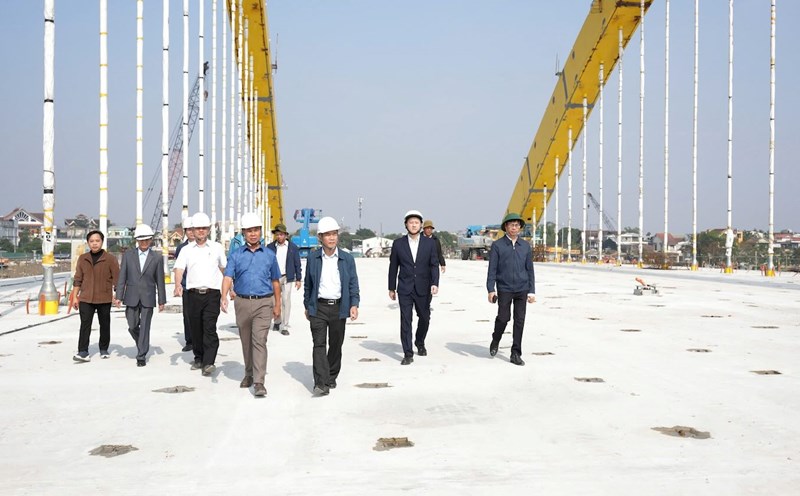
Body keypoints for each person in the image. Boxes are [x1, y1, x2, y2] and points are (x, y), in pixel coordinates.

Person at [221, 212, 282, 397]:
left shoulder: (270, 255)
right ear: (243, 233)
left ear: (261, 232)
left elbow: (276, 282)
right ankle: (248, 373)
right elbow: (228, 276)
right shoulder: (236, 255)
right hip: (242, 303)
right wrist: (223, 295)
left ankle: (258, 382)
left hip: (264, 303)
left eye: (256, 230)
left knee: (259, 341)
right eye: (249, 231)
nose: (253, 234)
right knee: (246, 341)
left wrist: (277, 304)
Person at [303, 217, 360, 396]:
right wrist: (307, 305)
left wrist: (354, 304)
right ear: (320, 237)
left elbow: (353, 283)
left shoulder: (347, 259)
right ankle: (321, 383)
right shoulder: (313, 258)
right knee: (318, 344)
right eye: (327, 235)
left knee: (336, 345)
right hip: (318, 307)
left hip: (339, 307)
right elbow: (308, 284)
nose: (331, 238)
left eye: (334, 234)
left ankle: (331, 375)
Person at [173, 212, 227, 376]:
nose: (201, 231)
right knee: (195, 329)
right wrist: (177, 284)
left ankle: (209, 362)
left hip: (212, 294)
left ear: (209, 229)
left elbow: (225, 269)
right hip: (192, 295)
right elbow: (179, 268)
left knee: (209, 328)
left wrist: (229, 290)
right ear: (192, 231)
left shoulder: (217, 248)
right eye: (198, 229)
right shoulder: (186, 250)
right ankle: (199, 357)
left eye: (204, 228)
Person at [388, 210, 439, 365]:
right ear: (406, 225)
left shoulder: (430, 243)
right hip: (405, 287)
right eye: (411, 222)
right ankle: (408, 353)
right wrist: (391, 287)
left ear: (421, 225)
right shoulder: (398, 244)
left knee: (424, 318)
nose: (414, 225)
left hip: (424, 287)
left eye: (416, 222)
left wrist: (435, 283)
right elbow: (393, 266)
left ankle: (419, 341)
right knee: (405, 320)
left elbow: (434, 264)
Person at [486, 213, 536, 366]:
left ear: (520, 228)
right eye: (511, 225)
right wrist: (490, 289)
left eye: (517, 225)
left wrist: (531, 290)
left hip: (522, 288)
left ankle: (516, 353)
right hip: (505, 288)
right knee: (503, 317)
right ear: (506, 227)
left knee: (519, 321)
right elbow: (492, 269)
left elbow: (530, 269)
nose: (514, 227)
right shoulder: (498, 246)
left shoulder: (525, 246)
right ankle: (496, 339)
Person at [114, 224, 167, 367]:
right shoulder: (128, 256)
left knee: (145, 326)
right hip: (131, 296)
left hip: (148, 297)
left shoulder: (156, 257)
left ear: (151, 240)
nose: (144, 243)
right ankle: (142, 342)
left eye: (147, 240)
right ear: (137, 240)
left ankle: (141, 354)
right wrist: (118, 296)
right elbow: (122, 277)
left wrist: (162, 300)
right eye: (141, 240)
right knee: (132, 326)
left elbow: (160, 280)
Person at [70, 230, 120, 362]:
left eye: (97, 241)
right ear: (88, 243)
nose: (94, 244)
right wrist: (75, 296)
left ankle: (103, 348)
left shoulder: (110, 259)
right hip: (86, 298)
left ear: (102, 242)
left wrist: (117, 295)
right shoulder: (83, 258)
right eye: (91, 241)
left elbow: (117, 279)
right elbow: (77, 279)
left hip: (104, 297)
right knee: (85, 324)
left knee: (105, 324)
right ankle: (83, 351)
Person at [266, 222, 302, 336]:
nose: (279, 237)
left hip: (287, 276)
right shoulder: (270, 247)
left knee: (286, 301)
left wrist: (298, 278)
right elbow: (266, 263)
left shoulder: (293, 248)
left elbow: (297, 263)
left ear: (286, 235)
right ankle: (277, 321)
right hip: (274, 277)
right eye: (277, 234)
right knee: (275, 301)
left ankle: (285, 325)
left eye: (281, 234)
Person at [174, 216, 195, 352]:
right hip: (187, 286)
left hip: (202, 286)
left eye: (194, 229)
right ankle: (190, 341)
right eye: (189, 230)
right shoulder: (181, 248)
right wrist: (178, 285)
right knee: (187, 314)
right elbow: (178, 268)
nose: (192, 232)